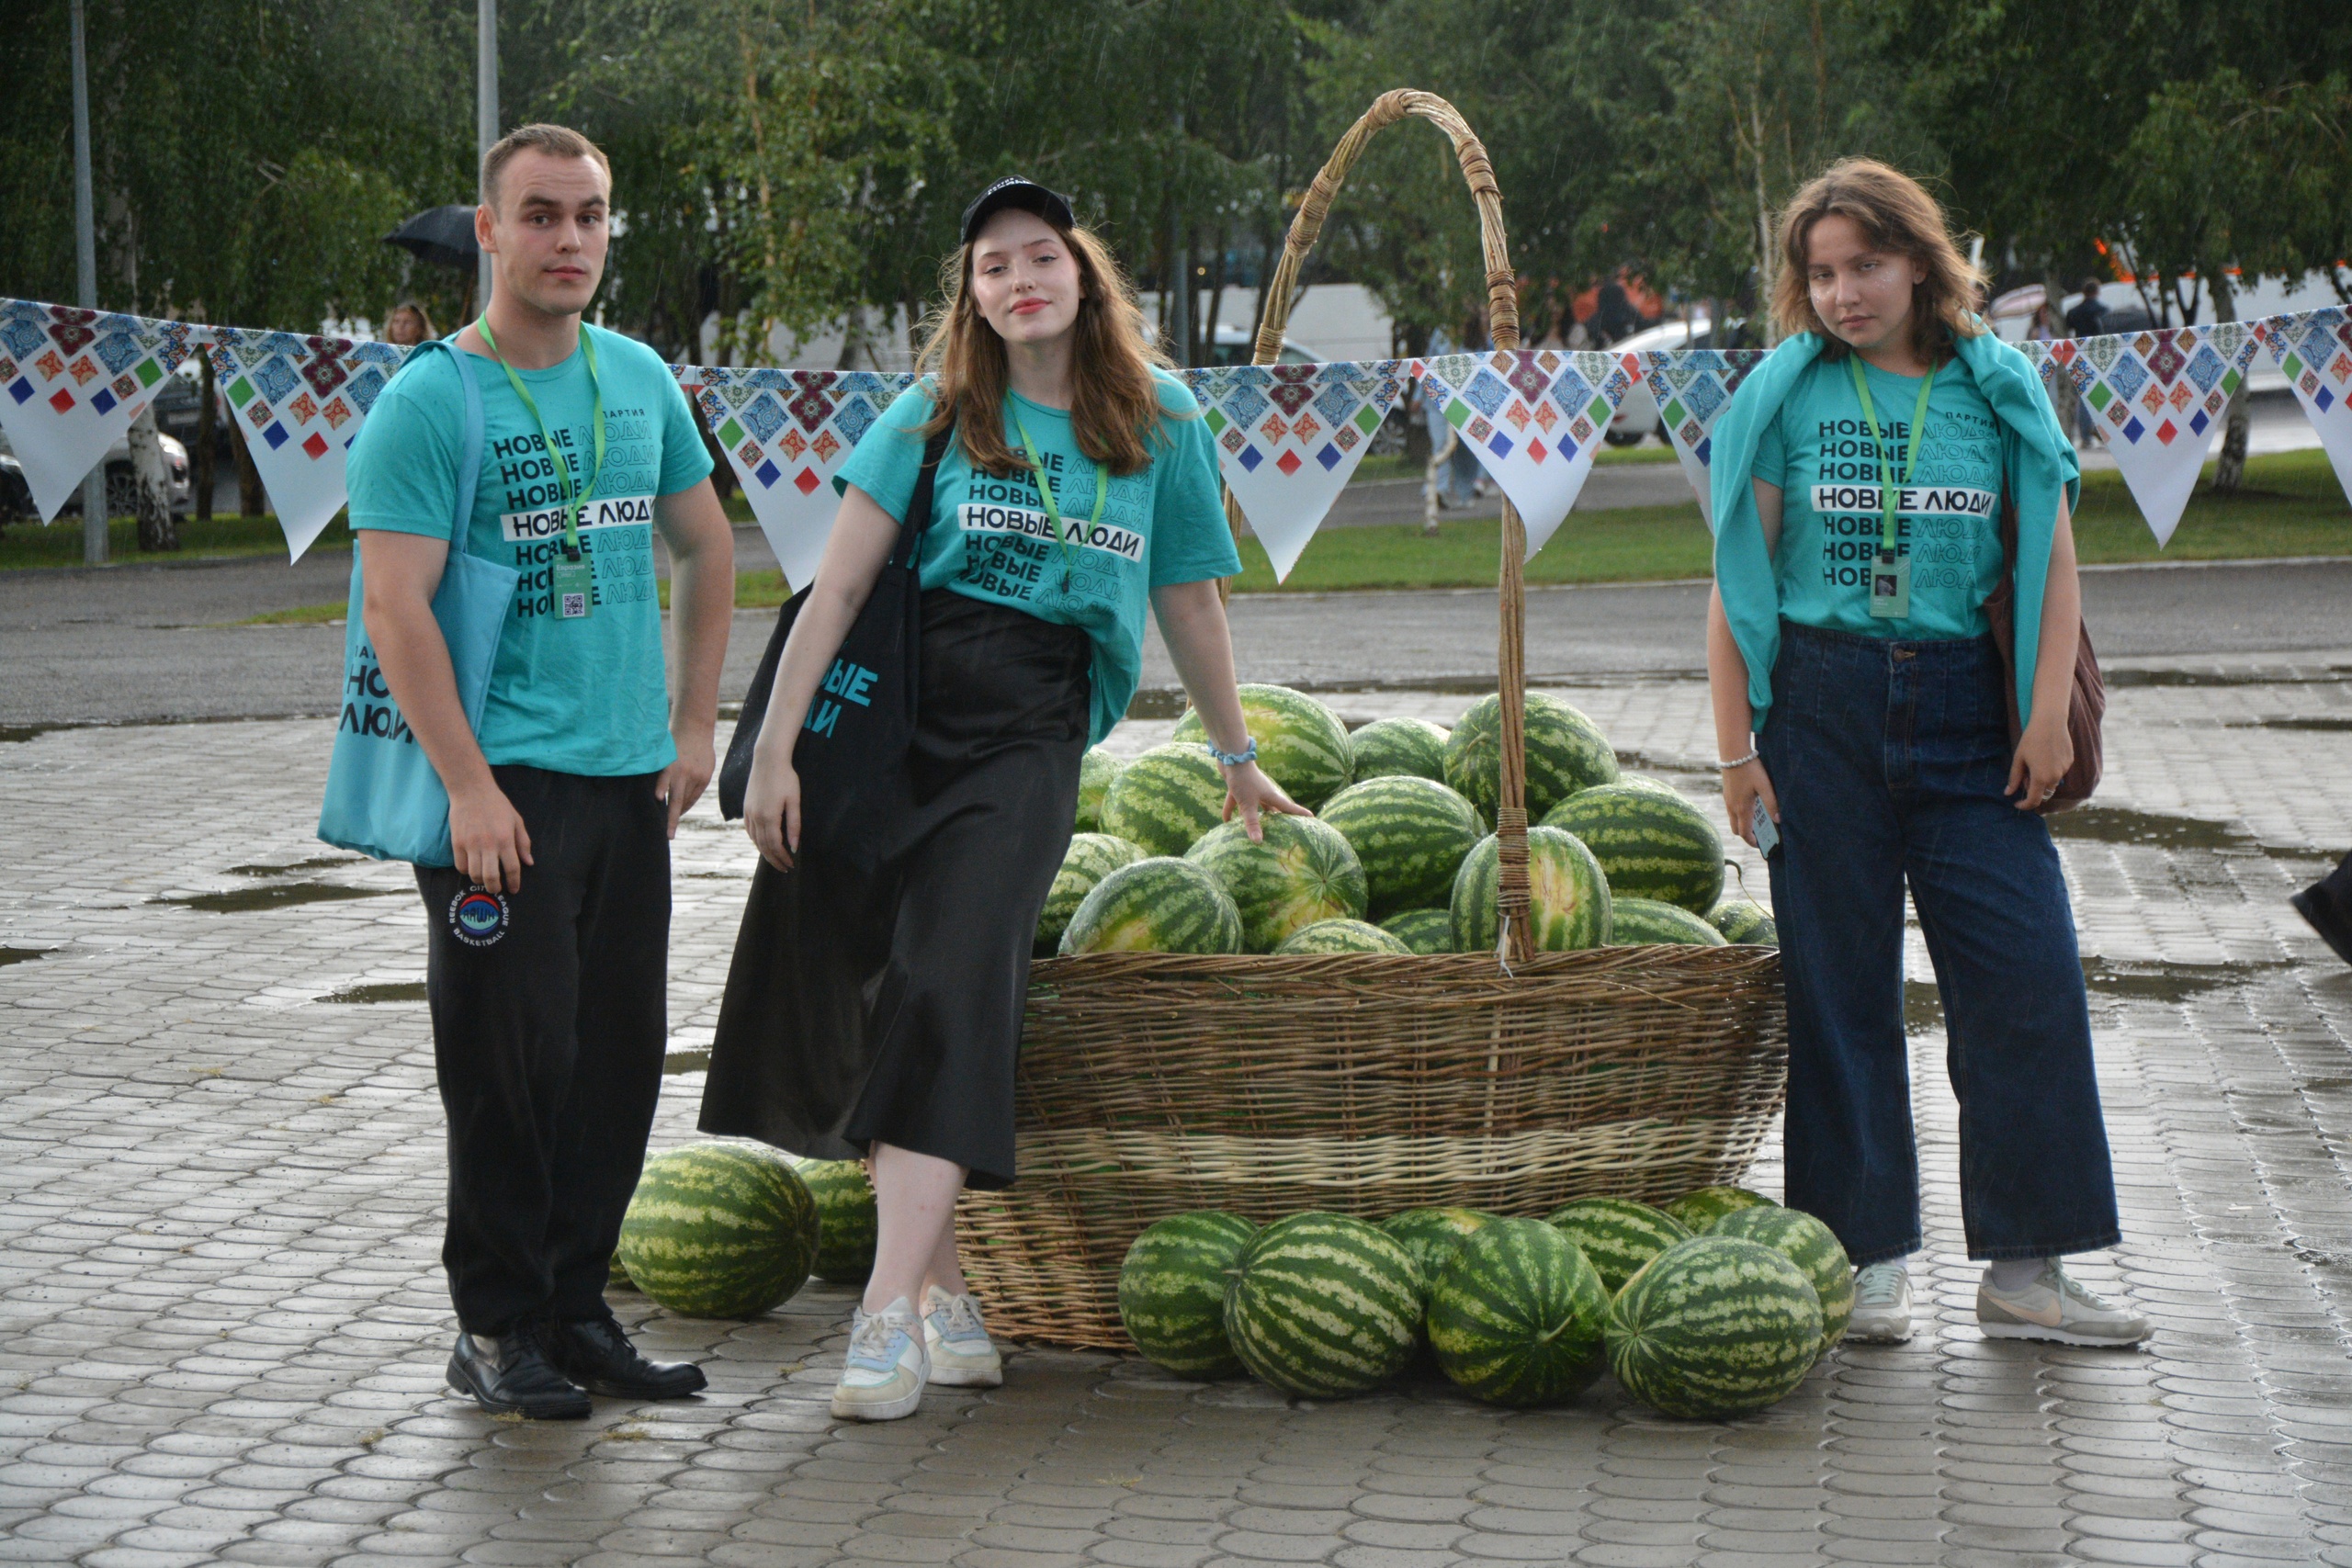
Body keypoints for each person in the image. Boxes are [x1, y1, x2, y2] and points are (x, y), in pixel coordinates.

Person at [698, 177, 1302, 1423]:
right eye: (993, 266)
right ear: (971, 295)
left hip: (1029, 729)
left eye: (1041, 256)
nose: (1020, 279)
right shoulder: (930, 413)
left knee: (951, 972)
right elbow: (838, 590)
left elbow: (1189, 595)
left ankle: (878, 1314)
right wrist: (769, 752)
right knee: (887, 979)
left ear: (1082, 272)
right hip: (890, 725)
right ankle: (948, 1292)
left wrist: (1236, 749)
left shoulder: (1160, 415)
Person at [1705, 158, 2148, 1349]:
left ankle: (2028, 1271)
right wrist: (1736, 751)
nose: (1845, 291)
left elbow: (2051, 560)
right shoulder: (1787, 395)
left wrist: (2047, 711)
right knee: (1839, 993)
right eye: (1823, 271)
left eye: (1867, 264)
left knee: (2026, 978)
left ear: (1919, 261)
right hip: (1819, 712)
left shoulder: (1995, 388)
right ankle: (1864, 1258)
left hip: (1971, 720)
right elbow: (1734, 579)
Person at [345, 123, 736, 1418]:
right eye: (544, 215)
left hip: (631, 786)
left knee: (616, 1057)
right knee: (508, 1067)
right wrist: (466, 788)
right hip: (499, 792)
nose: (571, 240)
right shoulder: (427, 399)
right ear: (491, 228)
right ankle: (496, 1322)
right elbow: (397, 608)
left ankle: (576, 1308)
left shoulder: (638, 379)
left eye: (591, 215)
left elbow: (706, 544)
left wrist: (692, 729)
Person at [2063, 278, 2110, 447]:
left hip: (2078, 354)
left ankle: (2085, 434)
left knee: (2082, 395)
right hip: (2098, 355)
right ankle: (2099, 430)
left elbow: (2067, 328)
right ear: (2096, 291)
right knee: (2101, 394)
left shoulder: (2074, 312)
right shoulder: (2102, 310)